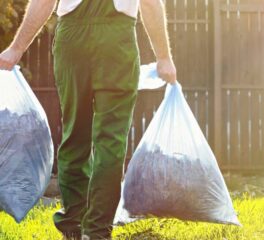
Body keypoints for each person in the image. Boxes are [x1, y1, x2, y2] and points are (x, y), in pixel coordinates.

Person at [0, 0, 177, 239]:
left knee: (75, 134)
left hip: (73, 41)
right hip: (117, 43)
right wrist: (163, 57)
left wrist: (17, 48)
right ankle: (97, 231)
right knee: (111, 141)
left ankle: (73, 226)